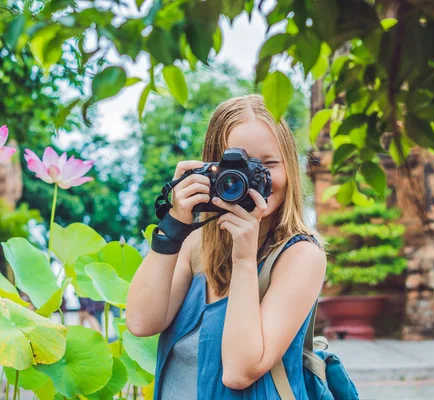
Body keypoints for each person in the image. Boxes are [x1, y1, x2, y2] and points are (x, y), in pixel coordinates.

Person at [126, 94, 327, 399]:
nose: (253, 179)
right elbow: (141, 321)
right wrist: (174, 223)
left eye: (268, 164)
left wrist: (244, 259)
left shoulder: (300, 256)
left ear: (290, 168)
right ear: (210, 169)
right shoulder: (195, 245)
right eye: (239, 165)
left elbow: (239, 371)